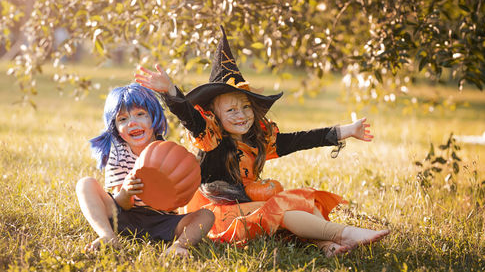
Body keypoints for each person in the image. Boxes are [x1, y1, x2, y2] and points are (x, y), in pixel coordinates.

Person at [135, 27, 389, 256]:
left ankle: (326, 246)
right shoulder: (212, 141)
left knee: (302, 199)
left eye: (246, 107)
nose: (242, 115)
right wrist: (171, 92)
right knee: (280, 209)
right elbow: (191, 118)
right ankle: (342, 233)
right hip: (220, 216)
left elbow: (301, 140)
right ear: (214, 115)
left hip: (249, 206)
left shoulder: (257, 140)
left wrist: (346, 130)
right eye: (231, 110)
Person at [75, 83, 214, 257]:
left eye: (140, 114)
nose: (132, 123)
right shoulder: (119, 154)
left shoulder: (168, 151)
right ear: (116, 128)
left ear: (154, 117)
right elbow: (121, 203)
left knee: (206, 216)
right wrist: (126, 193)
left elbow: (178, 199)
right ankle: (107, 235)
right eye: (122, 119)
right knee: (85, 184)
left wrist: (188, 169)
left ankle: (179, 246)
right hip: (124, 217)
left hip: (163, 221)